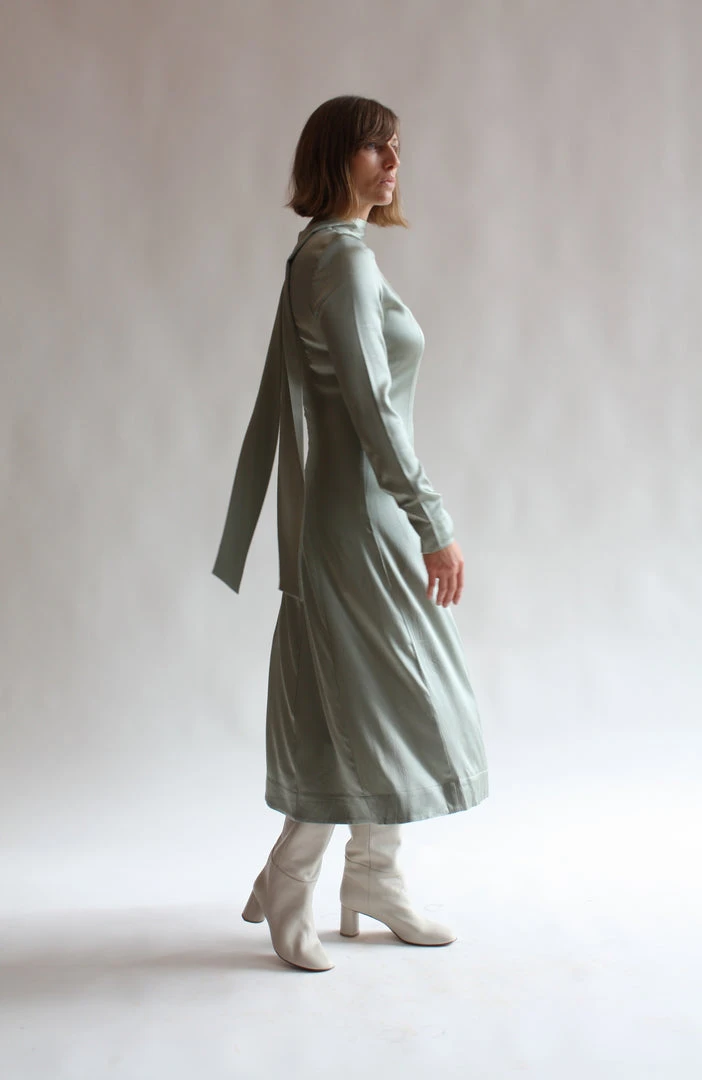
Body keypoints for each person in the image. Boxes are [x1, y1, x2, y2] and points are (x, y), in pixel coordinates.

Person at [212, 95, 488, 972]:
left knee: (378, 697)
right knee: (372, 696)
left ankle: (373, 874)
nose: (393, 162)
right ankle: (292, 877)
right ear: (335, 158)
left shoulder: (324, 255)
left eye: (397, 146)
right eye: (375, 148)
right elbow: (374, 414)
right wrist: (433, 523)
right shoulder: (341, 264)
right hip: (357, 520)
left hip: (351, 514)